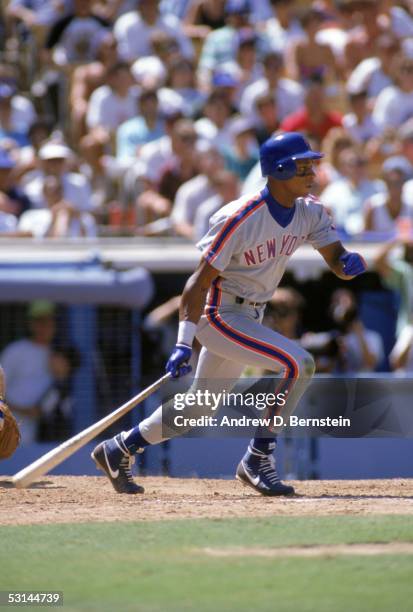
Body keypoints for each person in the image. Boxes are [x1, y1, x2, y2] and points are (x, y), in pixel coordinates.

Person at [91, 131, 367, 496]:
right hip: (219, 315)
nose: (313, 173)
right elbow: (196, 284)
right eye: (304, 167)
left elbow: (336, 260)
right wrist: (183, 342)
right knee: (300, 364)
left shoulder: (309, 211)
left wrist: (348, 265)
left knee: (197, 408)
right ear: (281, 169)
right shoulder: (239, 216)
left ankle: (119, 448)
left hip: (250, 317)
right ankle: (258, 458)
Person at [0, 300, 57, 443]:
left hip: (43, 434)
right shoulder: (16, 350)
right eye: (40, 321)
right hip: (7, 427)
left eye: (49, 321)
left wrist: (40, 411)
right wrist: (21, 410)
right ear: (31, 324)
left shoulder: (58, 355)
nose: (45, 326)